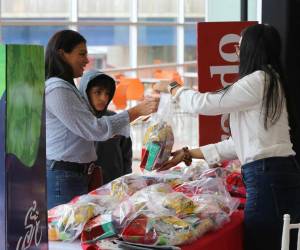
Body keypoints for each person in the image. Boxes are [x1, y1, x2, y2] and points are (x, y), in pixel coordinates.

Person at [153, 23, 300, 250]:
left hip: (267, 175)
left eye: (239, 47)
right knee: (277, 242)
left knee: (262, 242)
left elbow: (205, 103)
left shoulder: (259, 80)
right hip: (274, 172)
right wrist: (189, 153)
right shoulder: (269, 80)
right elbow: (239, 143)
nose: (237, 53)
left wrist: (174, 87)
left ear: (251, 49)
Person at [45, 30, 159, 209]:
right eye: (81, 54)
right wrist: (135, 111)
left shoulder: (67, 87)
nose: (86, 60)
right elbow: (94, 129)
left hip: (76, 175)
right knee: (66, 234)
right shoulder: (57, 89)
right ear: (62, 54)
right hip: (64, 177)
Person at [79, 69, 133, 186]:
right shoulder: (78, 121)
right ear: (86, 92)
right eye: (98, 92)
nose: (104, 98)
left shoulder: (115, 119)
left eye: (107, 94)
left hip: (115, 184)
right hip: (85, 186)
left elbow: (126, 154)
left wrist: (126, 178)